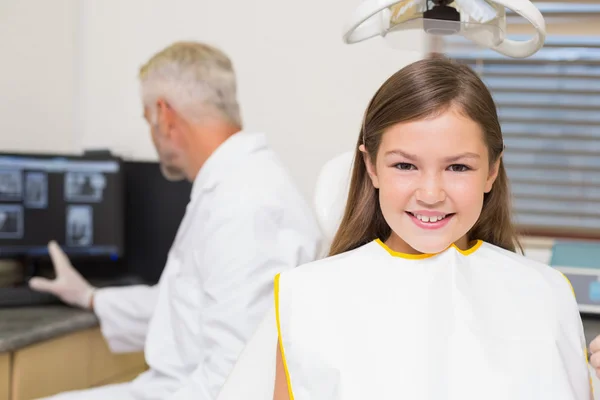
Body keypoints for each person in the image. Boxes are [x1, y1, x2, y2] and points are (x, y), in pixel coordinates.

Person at [215, 55, 594, 400]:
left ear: (492, 171)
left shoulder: (544, 296)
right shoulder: (310, 298)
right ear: (372, 166)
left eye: (458, 167)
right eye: (405, 166)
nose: (430, 193)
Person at [28, 41, 322, 400]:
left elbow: (235, 379)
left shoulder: (244, 203)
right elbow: (184, 308)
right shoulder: (233, 185)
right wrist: (90, 297)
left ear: (163, 116)